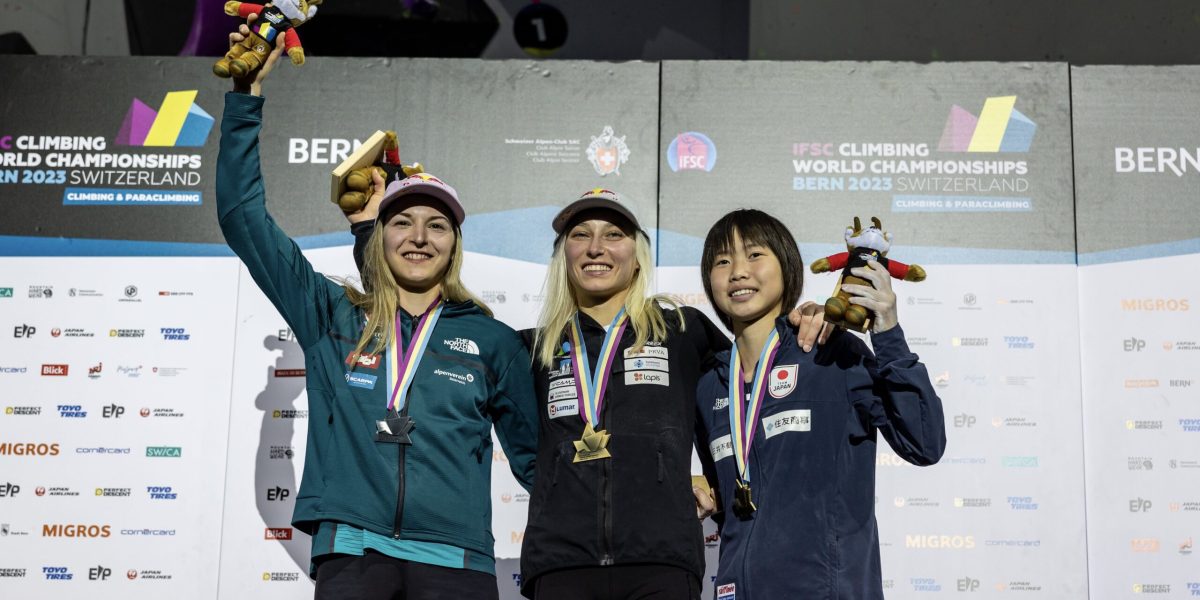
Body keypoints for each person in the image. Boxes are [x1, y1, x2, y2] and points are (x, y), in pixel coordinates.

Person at [217, 20, 539, 600]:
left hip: (458, 562)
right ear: (378, 235)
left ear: (455, 244)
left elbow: (539, 464)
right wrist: (246, 99)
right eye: (403, 223)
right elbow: (244, 219)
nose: (419, 237)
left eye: (437, 225)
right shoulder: (331, 316)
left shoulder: (492, 341)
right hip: (353, 553)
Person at [695, 209, 946, 600]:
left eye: (755, 255)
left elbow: (924, 443)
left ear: (788, 267)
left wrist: (888, 332)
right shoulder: (711, 385)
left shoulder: (832, 354)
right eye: (722, 260)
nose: (738, 271)